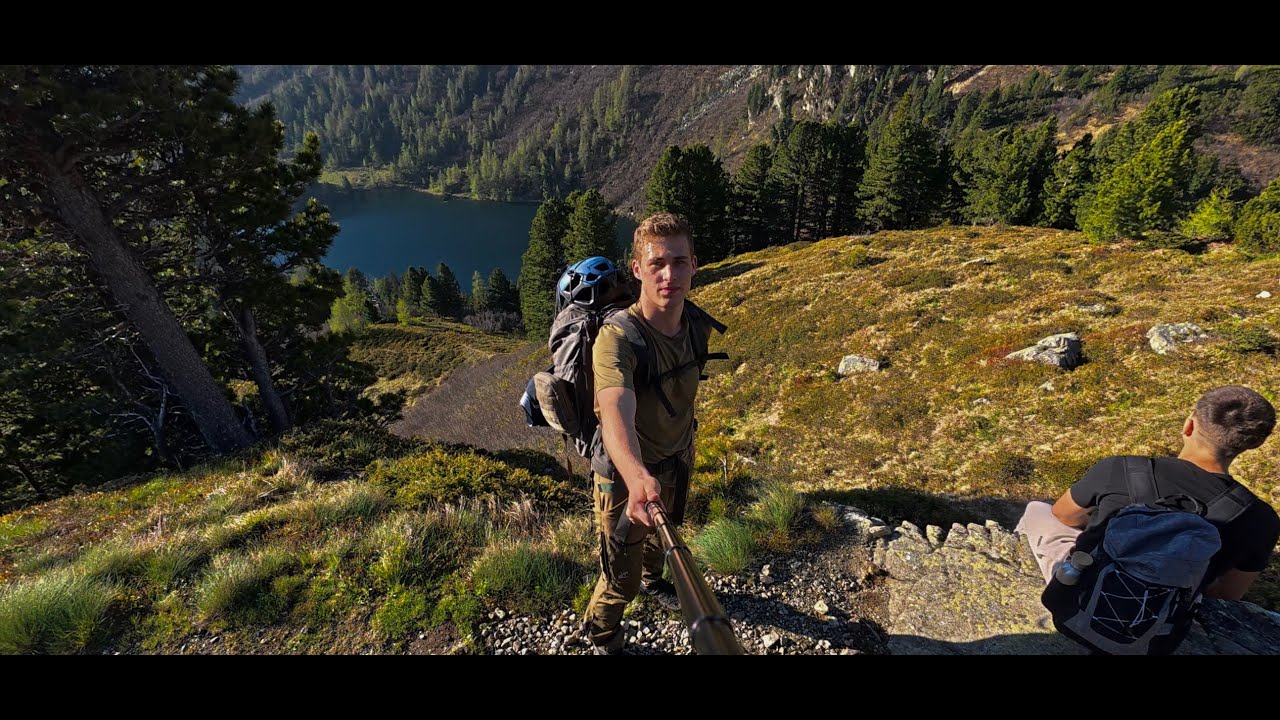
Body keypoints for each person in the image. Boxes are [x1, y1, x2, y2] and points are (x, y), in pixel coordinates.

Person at [582, 212, 723, 655]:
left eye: (679, 262)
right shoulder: (618, 338)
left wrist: (674, 460)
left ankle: (652, 580)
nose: (669, 274)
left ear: (694, 265)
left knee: (664, 539)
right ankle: (603, 634)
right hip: (625, 478)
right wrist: (636, 473)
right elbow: (614, 409)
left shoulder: (695, 325)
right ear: (637, 269)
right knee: (617, 580)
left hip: (678, 460)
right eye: (657, 263)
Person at [1016, 385, 1278, 601]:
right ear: (1255, 443)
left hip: (1085, 591)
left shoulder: (1120, 468)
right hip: (1164, 610)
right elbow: (1227, 594)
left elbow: (1064, 516)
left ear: (1189, 425)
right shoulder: (1261, 519)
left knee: (1037, 509)